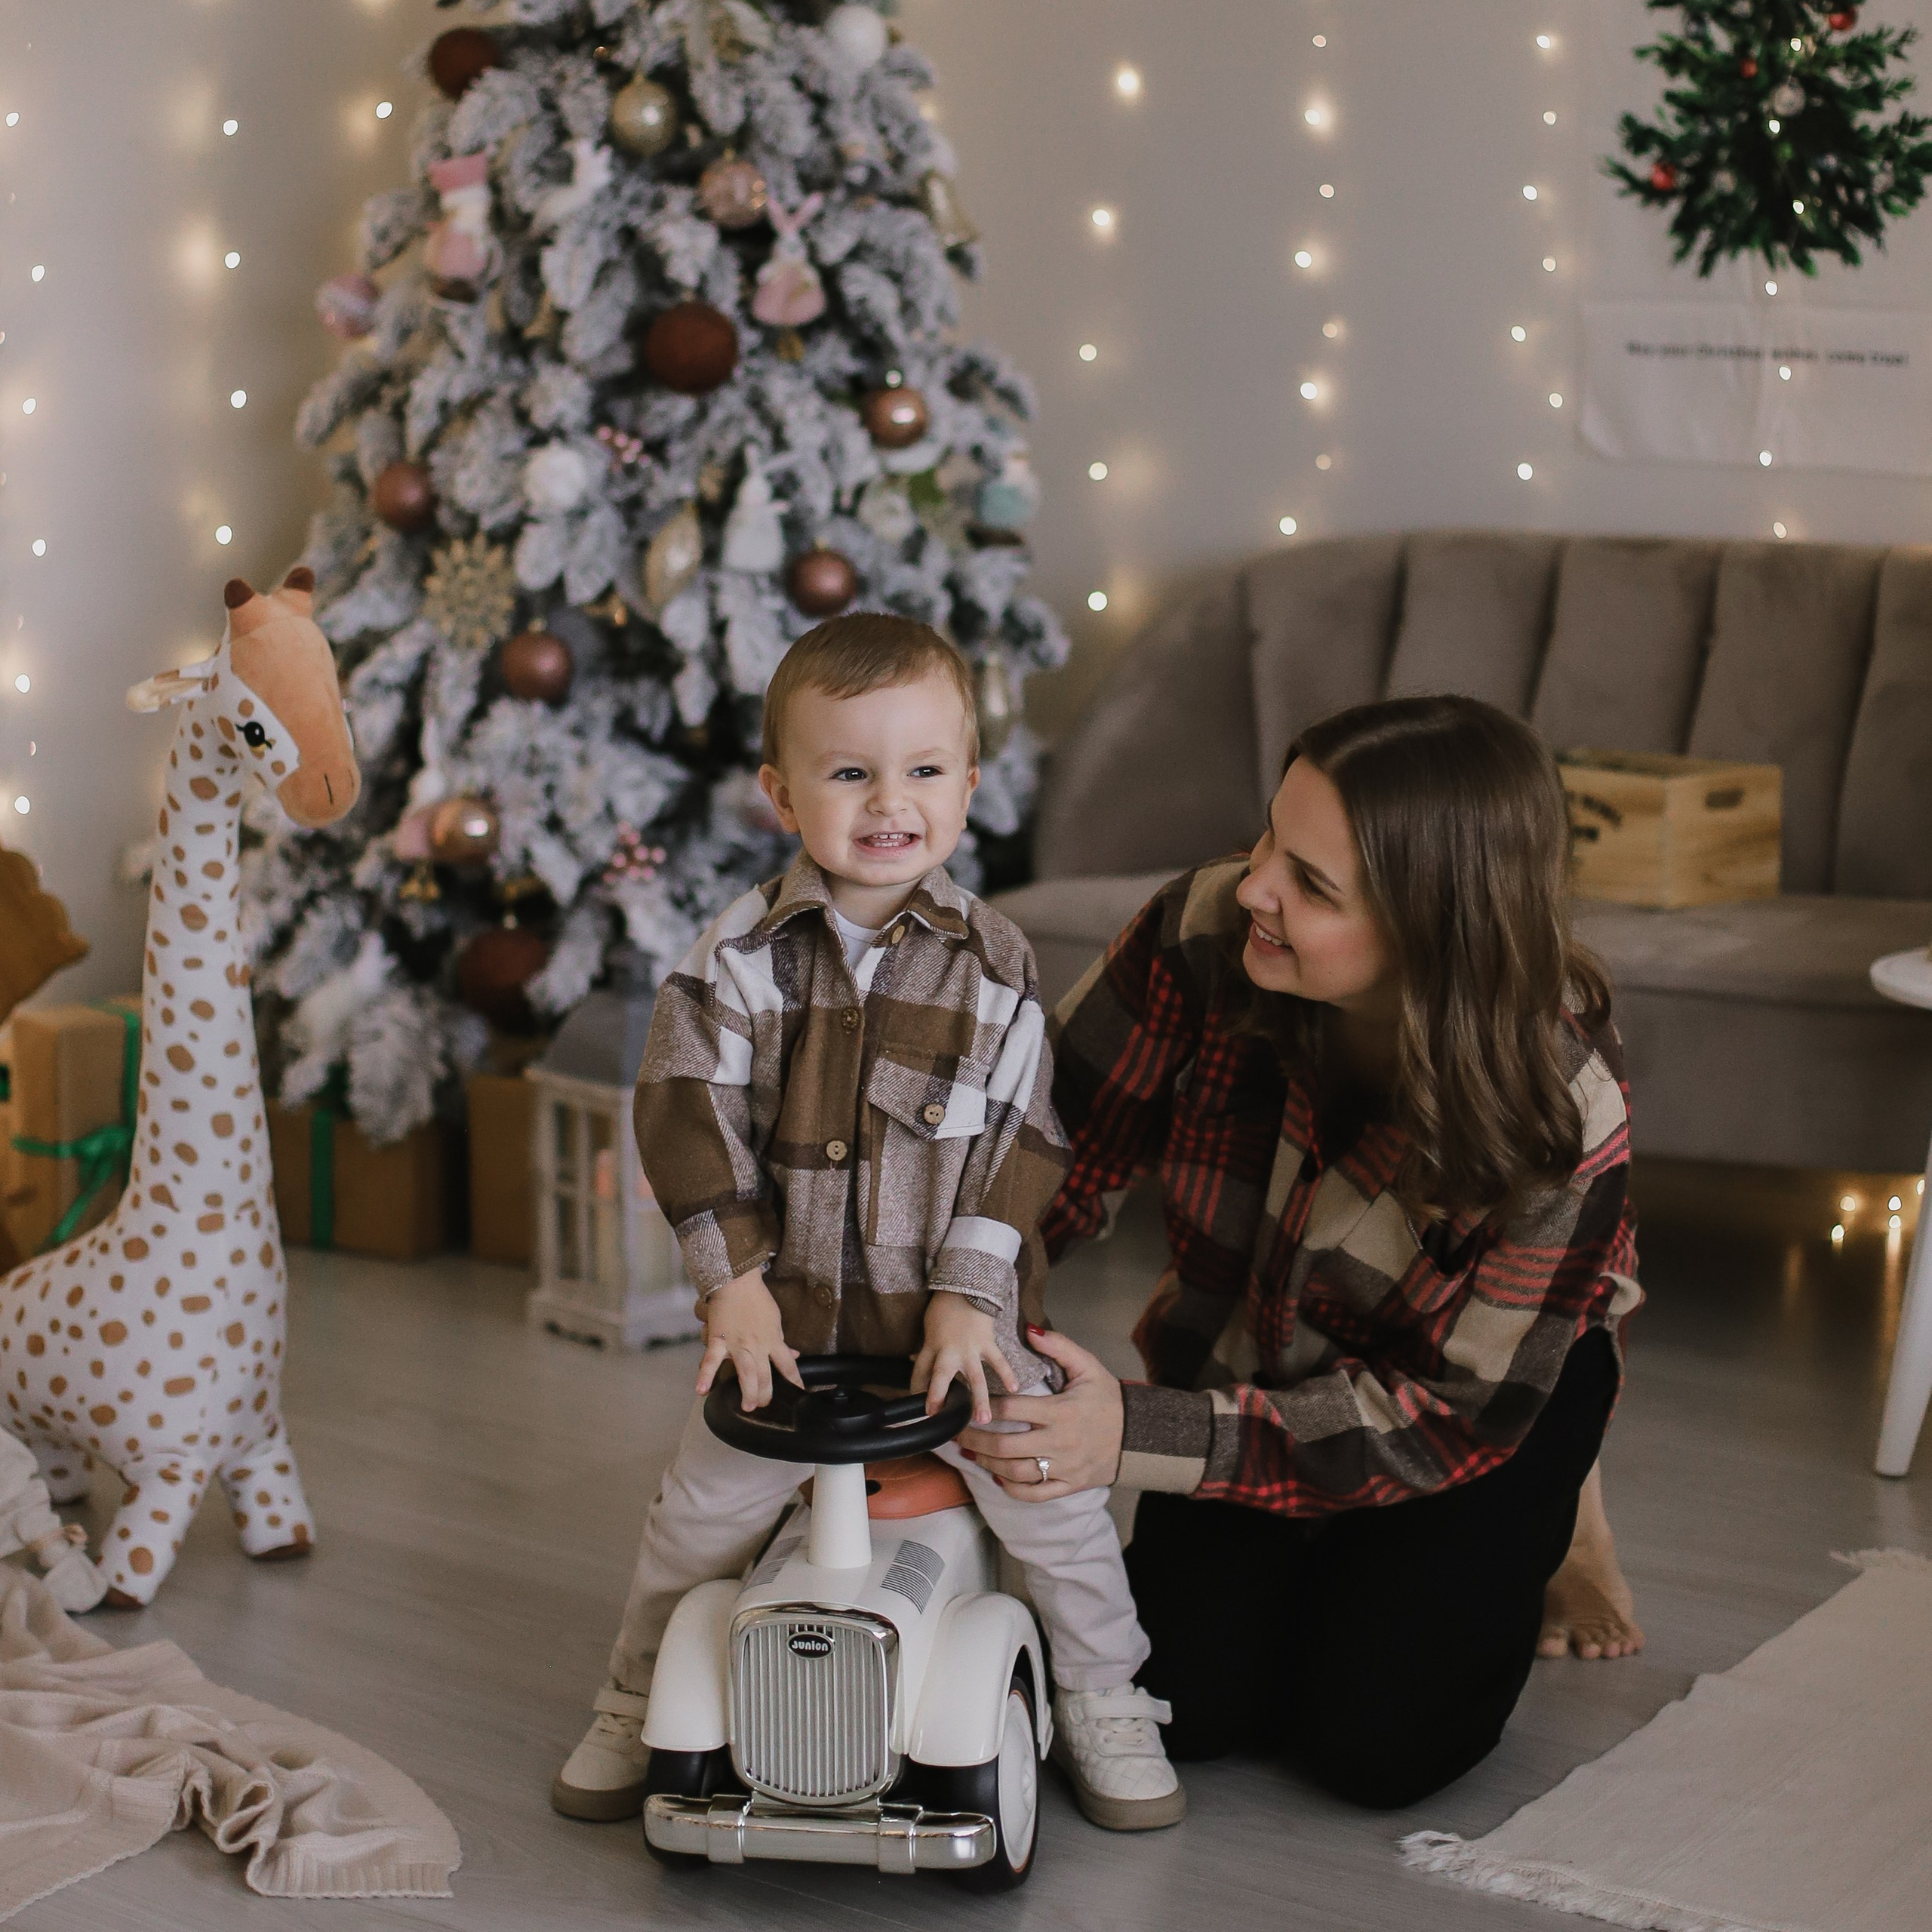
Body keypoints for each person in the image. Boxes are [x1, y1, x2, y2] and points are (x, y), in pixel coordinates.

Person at [551, 614, 1183, 1831]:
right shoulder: (735, 958)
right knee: (696, 1516)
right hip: (785, 1337)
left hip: (963, 1332)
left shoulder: (994, 964)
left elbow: (1023, 1141)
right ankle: (636, 1694)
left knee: (1052, 1505)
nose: (890, 802)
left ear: (971, 787)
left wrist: (969, 1292)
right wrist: (730, 1280)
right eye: (850, 773)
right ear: (782, 793)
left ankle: (1107, 1692)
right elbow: (684, 1112)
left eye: (924, 771)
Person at [958, 694, 1644, 1808]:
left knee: (1376, 1751)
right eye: (1272, 835)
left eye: (1312, 885)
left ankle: (1568, 1513)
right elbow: (1050, 1148)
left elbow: (1453, 1415)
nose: (1256, 886)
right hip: (1257, 1350)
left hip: (1468, 1398)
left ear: (1432, 931)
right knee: (1190, 1704)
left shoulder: (1562, 1108)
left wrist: (1127, 1430)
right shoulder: (1205, 932)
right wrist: (974, 1302)